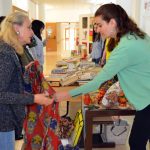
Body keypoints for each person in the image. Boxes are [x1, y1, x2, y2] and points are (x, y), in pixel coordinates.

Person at [55, 3, 150, 150]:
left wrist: (65, 95)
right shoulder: (135, 37)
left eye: (99, 25)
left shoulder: (126, 47)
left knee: (136, 143)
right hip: (145, 99)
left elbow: (98, 82)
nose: (97, 30)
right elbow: (131, 74)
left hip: (147, 102)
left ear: (112, 22)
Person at [0, 12, 54, 150]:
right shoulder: (5, 53)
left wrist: (24, 73)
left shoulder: (10, 50)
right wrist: (34, 98)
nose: (32, 32)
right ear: (16, 28)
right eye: (29, 27)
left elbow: (10, 82)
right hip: (3, 121)